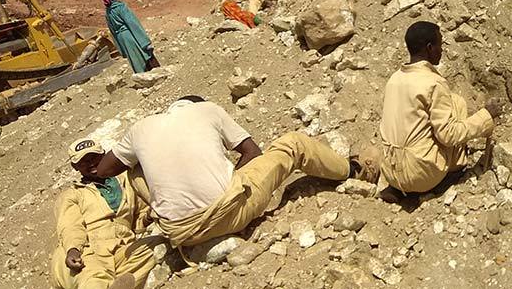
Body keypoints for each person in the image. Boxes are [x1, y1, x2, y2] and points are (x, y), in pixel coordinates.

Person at [94, 96, 377, 247]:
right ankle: (353, 170)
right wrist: (231, 175)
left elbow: (104, 169)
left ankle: (172, 211)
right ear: (196, 104)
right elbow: (253, 153)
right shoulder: (208, 110)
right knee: (294, 144)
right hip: (231, 214)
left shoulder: (141, 127)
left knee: (133, 171)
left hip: (180, 234)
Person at [378, 21, 501, 194]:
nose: (442, 50)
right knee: (457, 104)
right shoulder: (433, 83)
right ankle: (451, 173)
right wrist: (486, 115)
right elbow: (448, 135)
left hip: (390, 170)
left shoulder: (394, 79)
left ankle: (397, 189)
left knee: (446, 105)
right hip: (420, 176)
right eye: (440, 45)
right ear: (429, 48)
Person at [51, 139, 156, 289]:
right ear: (75, 166)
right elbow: (70, 225)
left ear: (104, 155)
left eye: (95, 157)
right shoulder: (73, 195)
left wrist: (149, 217)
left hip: (123, 246)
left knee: (155, 249)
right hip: (88, 246)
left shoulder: (126, 181)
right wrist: (73, 249)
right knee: (86, 274)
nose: (91, 163)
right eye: (84, 161)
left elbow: (139, 218)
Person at [101, 0, 159, 73]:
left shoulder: (108, 12)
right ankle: (154, 74)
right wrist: (145, 42)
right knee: (144, 54)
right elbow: (132, 23)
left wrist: (121, 49)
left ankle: (141, 76)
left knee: (134, 59)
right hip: (130, 35)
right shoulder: (121, 7)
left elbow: (112, 31)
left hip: (122, 39)